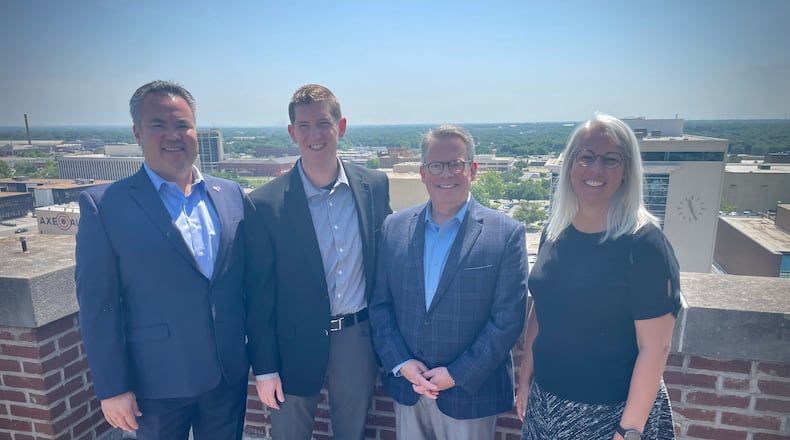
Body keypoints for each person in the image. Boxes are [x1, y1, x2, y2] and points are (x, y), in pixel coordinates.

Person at [75, 80, 249, 439]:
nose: (173, 134)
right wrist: (111, 387)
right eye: (159, 125)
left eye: (183, 124)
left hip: (226, 375)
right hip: (155, 384)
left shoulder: (229, 194)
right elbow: (98, 306)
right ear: (137, 132)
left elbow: (245, 282)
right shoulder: (106, 206)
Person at [516, 114, 681, 440]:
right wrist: (525, 378)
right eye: (586, 157)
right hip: (546, 400)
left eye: (610, 160)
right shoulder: (555, 229)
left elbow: (656, 348)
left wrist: (629, 431)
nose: (595, 169)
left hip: (610, 412)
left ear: (626, 171)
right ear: (570, 164)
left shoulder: (644, 244)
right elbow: (543, 306)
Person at [244, 84, 392, 439]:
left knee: (352, 432)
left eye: (323, 123)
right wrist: (264, 369)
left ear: (340, 127)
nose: (315, 135)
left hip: (357, 337)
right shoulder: (264, 204)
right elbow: (259, 295)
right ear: (292, 132)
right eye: (304, 125)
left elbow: (388, 258)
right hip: (291, 342)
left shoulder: (374, 185)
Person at [369, 124, 527, 439]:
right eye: (436, 165)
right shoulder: (394, 228)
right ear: (423, 172)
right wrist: (401, 362)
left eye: (456, 164)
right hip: (410, 387)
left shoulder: (505, 233)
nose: (446, 174)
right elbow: (380, 305)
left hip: (470, 392)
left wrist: (455, 374)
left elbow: (508, 320)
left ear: (473, 169)